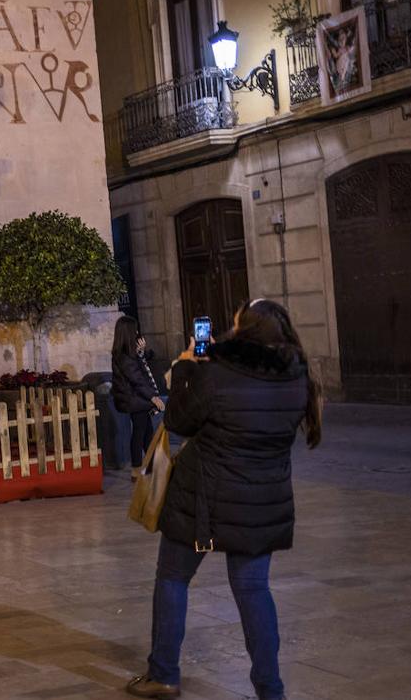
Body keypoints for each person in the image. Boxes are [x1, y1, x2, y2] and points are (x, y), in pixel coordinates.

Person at [126, 299, 322, 700]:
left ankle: (163, 673)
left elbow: (179, 422)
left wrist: (185, 368)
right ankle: (271, 690)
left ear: (243, 329)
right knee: (254, 589)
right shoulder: (297, 377)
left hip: (204, 499)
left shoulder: (216, 372)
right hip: (262, 503)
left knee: (173, 577)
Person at [111, 316, 164, 468]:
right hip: (135, 400)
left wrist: (141, 352)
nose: (137, 333)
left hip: (138, 399)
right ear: (128, 332)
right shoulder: (123, 356)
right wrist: (153, 397)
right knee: (140, 434)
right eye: (134, 330)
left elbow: (142, 368)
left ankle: (151, 466)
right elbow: (137, 379)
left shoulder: (128, 353)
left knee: (146, 433)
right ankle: (138, 468)